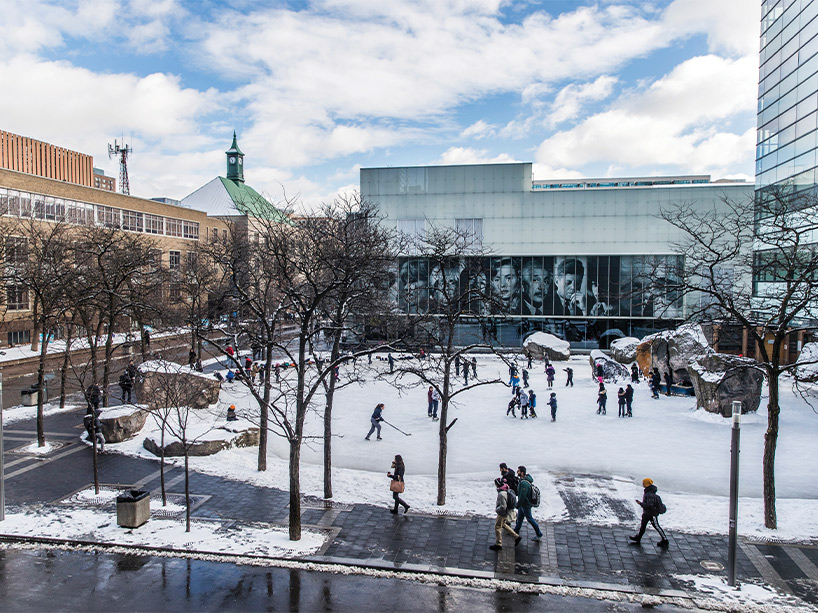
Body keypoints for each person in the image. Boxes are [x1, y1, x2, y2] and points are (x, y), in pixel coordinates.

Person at [630, 478, 669, 547]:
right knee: (643, 527)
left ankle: (665, 540)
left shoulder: (649, 494)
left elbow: (649, 505)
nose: (642, 484)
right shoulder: (648, 492)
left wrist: (640, 503)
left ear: (646, 484)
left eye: (644, 483)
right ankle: (638, 538)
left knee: (656, 526)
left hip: (651, 514)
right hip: (647, 513)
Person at [490, 477, 520, 550]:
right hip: (506, 512)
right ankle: (516, 537)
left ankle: (499, 544)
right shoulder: (507, 489)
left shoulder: (501, 494)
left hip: (502, 513)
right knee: (503, 525)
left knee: (497, 527)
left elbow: (503, 506)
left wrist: (497, 510)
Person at [514, 466, 544, 541]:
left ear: (522, 472)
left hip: (525, 505)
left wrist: (518, 504)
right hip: (523, 504)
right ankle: (516, 530)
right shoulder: (522, 480)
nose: (517, 472)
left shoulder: (524, 483)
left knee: (530, 519)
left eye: (518, 471)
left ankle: (539, 533)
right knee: (520, 517)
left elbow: (522, 496)